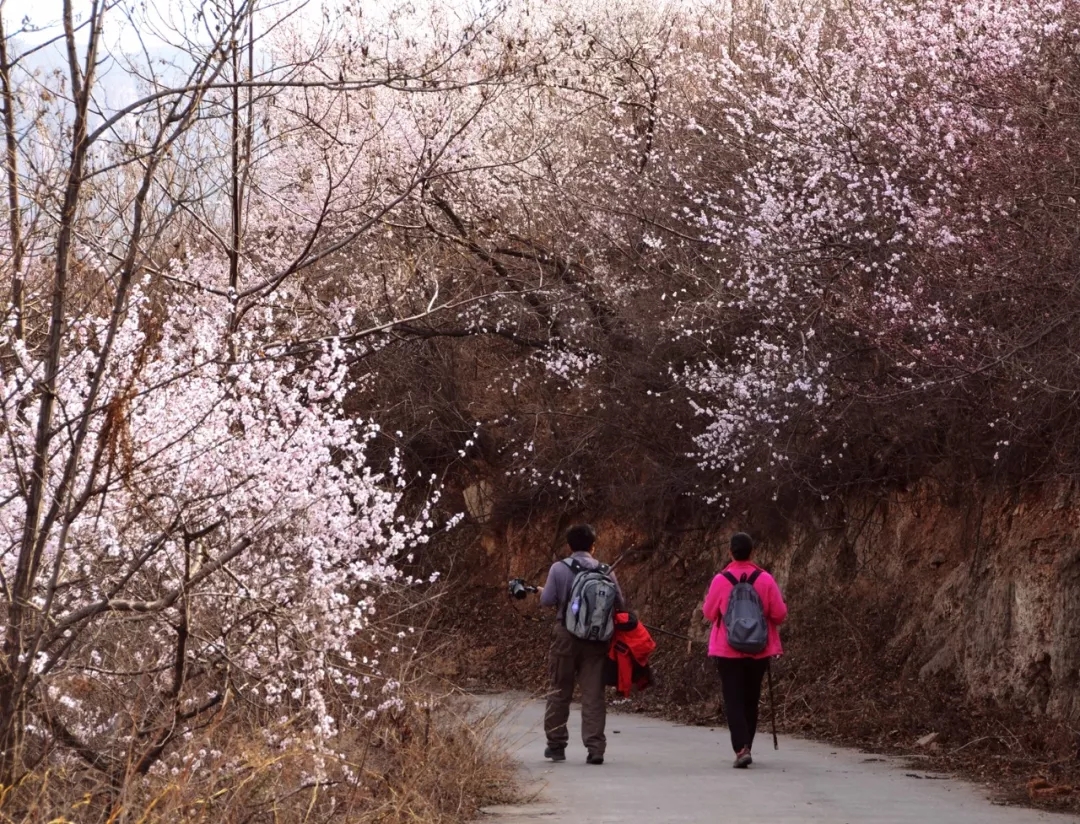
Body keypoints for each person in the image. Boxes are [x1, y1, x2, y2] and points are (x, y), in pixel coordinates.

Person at [539, 523, 624, 765]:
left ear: (569, 545)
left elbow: (547, 600)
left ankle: (556, 745)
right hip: (597, 640)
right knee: (593, 694)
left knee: (559, 690)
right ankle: (595, 748)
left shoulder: (559, 568)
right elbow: (620, 603)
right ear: (593, 546)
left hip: (566, 636)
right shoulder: (606, 570)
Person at [702, 532, 788, 768]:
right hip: (758, 649)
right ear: (753, 552)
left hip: (727, 649)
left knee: (733, 699)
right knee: (751, 698)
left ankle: (741, 749)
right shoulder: (765, 580)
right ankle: (747, 745)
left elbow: (709, 613)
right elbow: (779, 615)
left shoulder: (721, 580)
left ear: (730, 552)